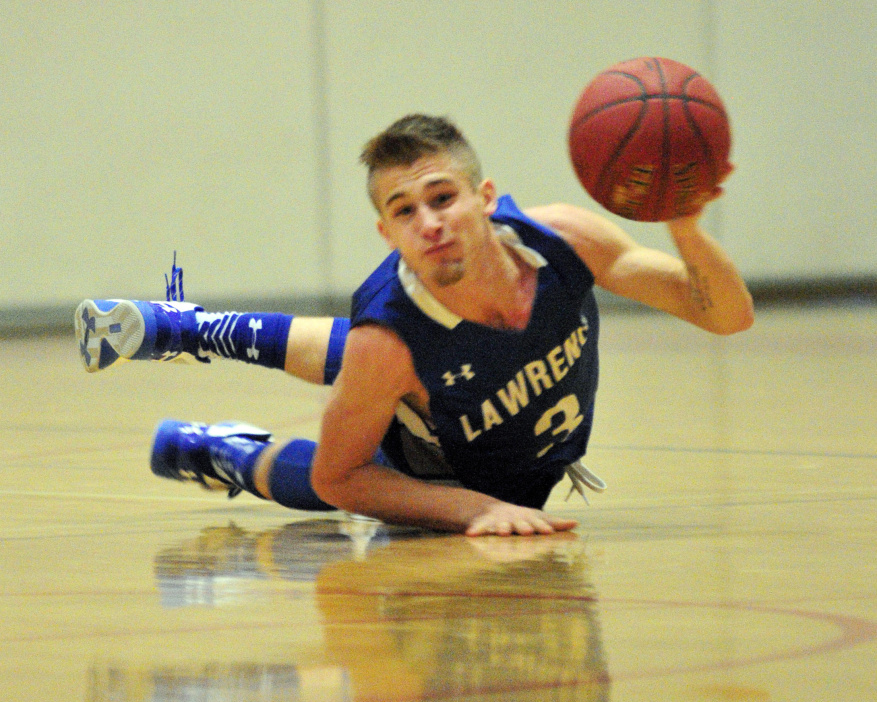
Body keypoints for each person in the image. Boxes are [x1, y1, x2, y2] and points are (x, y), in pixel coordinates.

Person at [75, 114, 753, 536]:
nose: (428, 222)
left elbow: (725, 314)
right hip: (441, 461)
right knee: (365, 391)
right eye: (404, 211)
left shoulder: (562, 240)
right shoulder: (389, 339)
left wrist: (685, 226)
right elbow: (341, 479)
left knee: (379, 355)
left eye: (441, 197)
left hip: (473, 413)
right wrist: (472, 509)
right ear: (386, 231)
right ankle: (227, 452)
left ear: (484, 199)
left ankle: (184, 329)